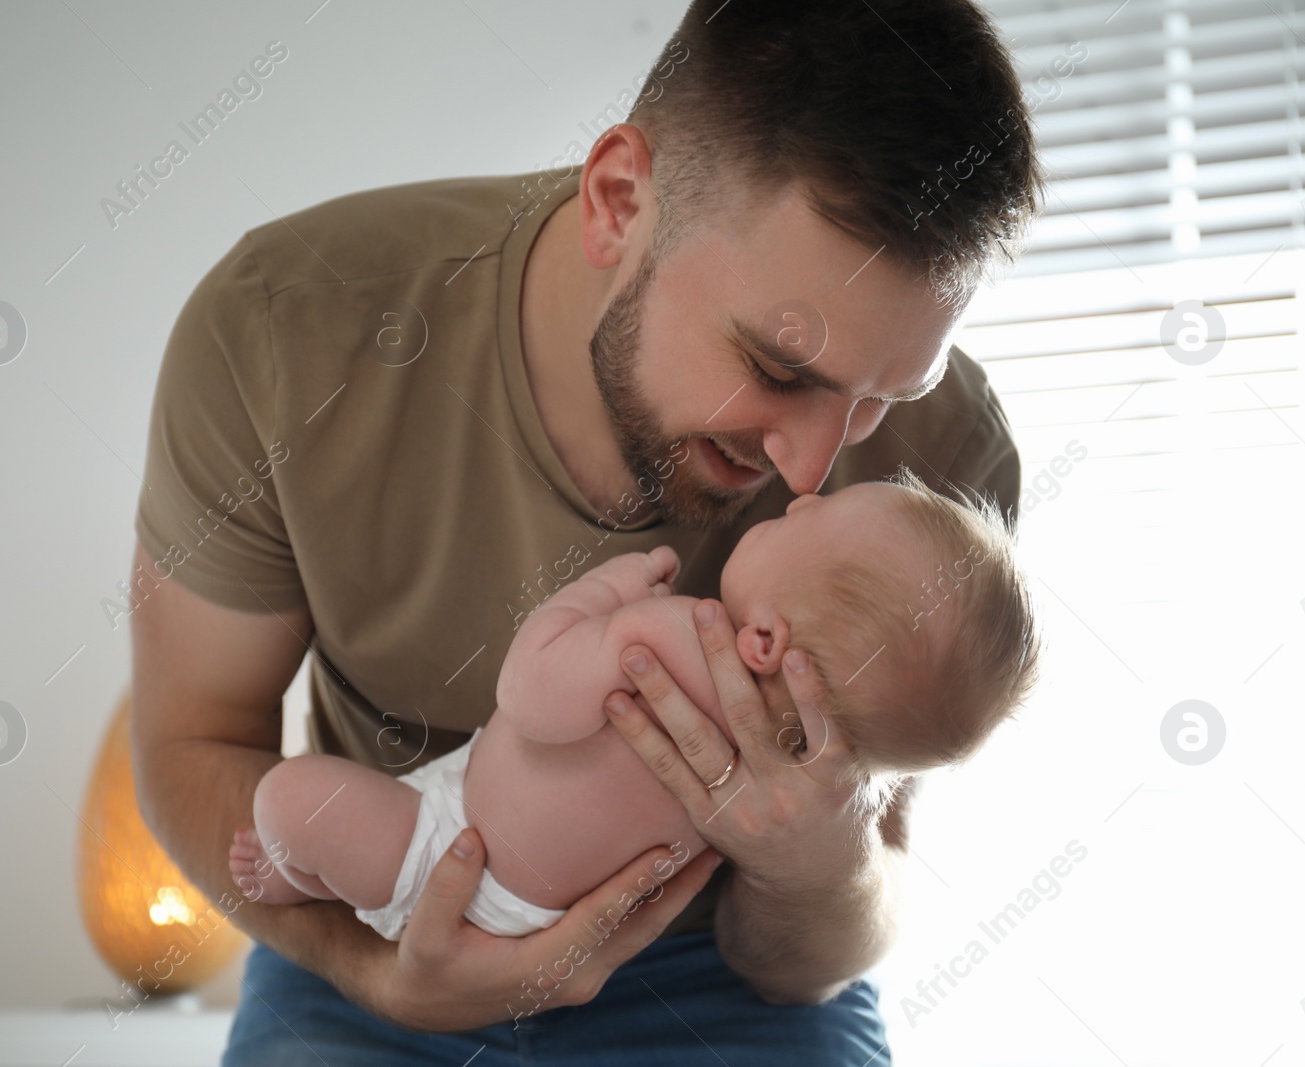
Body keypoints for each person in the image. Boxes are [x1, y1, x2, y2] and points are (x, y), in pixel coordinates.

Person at [127, 0, 1040, 1061]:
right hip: (379, 915)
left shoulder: (949, 473)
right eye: (778, 370)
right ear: (618, 200)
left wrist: (819, 865)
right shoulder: (286, 327)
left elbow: (829, 938)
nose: (812, 466)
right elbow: (193, 743)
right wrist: (384, 971)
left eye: (883, 396)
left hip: (715, 977)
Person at [229, 475, 1040, 958]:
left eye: (816, 519)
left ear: (764, 639)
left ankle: (296, 878)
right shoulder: (799, 773)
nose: (800, 502)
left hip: (452, 854)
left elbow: (529, 693)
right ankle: (318, 877)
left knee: (287, 799)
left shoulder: (677, 637)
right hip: (548, 915)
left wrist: (606, 596)